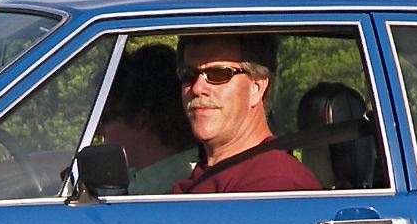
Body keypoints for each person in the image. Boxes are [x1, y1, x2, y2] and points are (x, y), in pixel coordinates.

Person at [172, 34, 320, 194]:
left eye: (218, 74)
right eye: (189, 75)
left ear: (257, 88)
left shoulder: (274, 183)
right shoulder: (207, 174)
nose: (197, 88)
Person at [98, 43, 197, 194]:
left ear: (140, 120)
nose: (99, 130)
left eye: (105, 118)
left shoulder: (166, 190)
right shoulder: (141, 178)